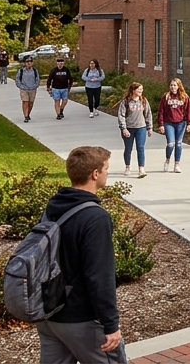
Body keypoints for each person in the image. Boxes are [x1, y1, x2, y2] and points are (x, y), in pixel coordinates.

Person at [37, 146, 126, 364]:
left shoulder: (54, 207)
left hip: (49, 316)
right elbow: (99, 276)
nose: (107, 173)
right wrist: (111, 325)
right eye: (106, 169)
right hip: (80, 318)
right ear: (95, 174)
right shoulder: (95, 217)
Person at [116, 83, 153, 178]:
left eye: (142, 89)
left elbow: (148, 114)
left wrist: (149, 128)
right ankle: (128, 166)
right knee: (128, 148)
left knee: (140, 147)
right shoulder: (126, 102)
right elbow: (121, 115)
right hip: (129, 128)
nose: (141, 91)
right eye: (139, 89)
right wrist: (124, 128)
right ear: (133, 90)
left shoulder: (143, 101)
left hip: (141, 127)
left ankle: (141, 168)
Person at [158, 78, 190, 173]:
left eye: (174, 85)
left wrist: (189, 123)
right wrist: (161, 124)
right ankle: (167, 160)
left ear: (179, 86)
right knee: (170, 143)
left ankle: (177, 164)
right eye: (171, 85)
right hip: (168, 123)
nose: (173, 87)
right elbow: (161, 111)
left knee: (178, 143)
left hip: (181, 123)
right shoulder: (166, 97)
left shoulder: (184, 97)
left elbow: (189, 111)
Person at [47, 56, 74, 121]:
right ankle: (58, 114)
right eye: (59, 63)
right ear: (57, 63)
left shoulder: (66, 70)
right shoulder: (54, 70)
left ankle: (61, 109)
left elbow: (70, 78)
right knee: (57, 101)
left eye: (61, 63)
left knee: (65, 101)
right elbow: (49, 79)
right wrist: (48, 87)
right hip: (56, 88)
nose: (60, 64)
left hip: (64, 88)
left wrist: (69, 87)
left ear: (63, 63)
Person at [15, 55, 40, 123]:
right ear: (25, 63)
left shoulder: (35, 71)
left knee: (30, 103)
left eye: (30, 61)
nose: (29, 63)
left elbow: (37, 79)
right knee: (25, 102)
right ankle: (25, 116)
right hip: (24, 89)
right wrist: (21, 86)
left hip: (32, 89)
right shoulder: (21, 71)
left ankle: (28, 114)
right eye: (27, 61)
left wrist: (35, 86)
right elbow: (17, 79)